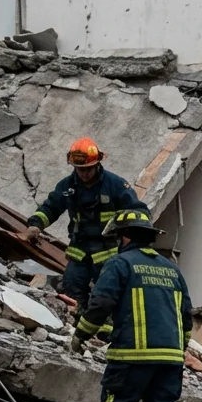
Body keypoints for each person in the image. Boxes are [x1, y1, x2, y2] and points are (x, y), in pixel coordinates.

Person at [71, 209, 191, 402]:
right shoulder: (172, 269)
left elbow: (101, 304)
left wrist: (81, 334)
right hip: (171, 357)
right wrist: (180, 349)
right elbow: (186, 315)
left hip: (132, 355)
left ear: (124, 237)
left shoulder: (120, 264)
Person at [28, 137, 145, 321]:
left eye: (88, 169)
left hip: (107, 251)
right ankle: (76, 326)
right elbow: (51, 207)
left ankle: (105, 331)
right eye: (79, 169)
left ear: (97, 164)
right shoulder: (67, 186)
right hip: (79, 250)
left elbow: (138, 211)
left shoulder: (115, 185)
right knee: (71, 289)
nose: (84, 173)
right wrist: (36, 224)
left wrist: (134, 238)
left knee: (106, 295)